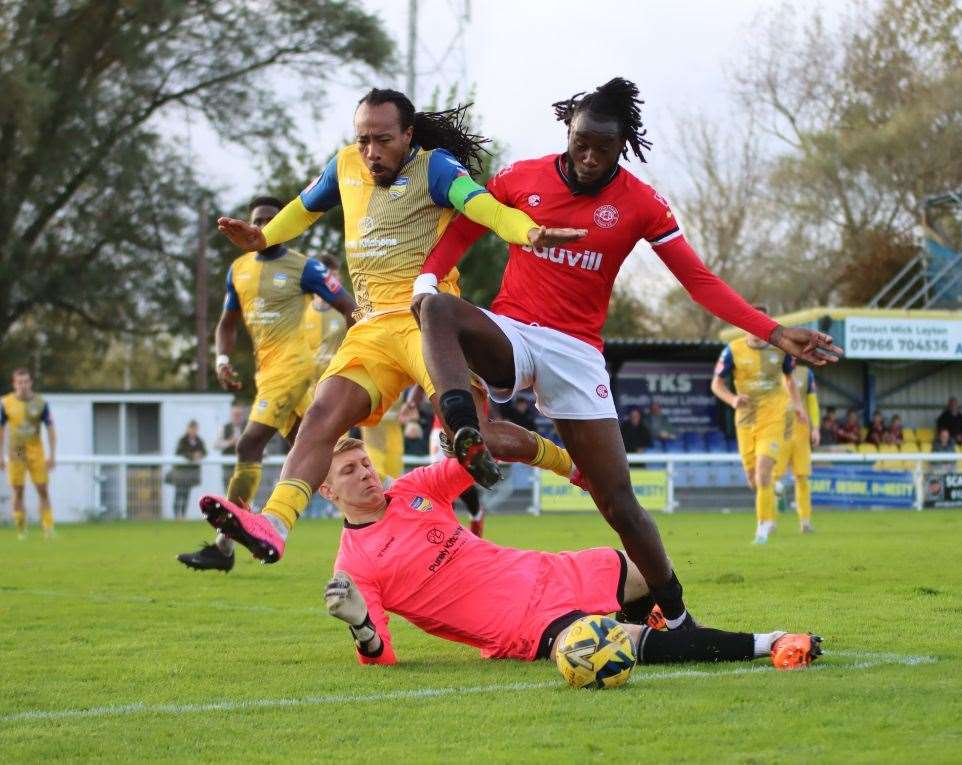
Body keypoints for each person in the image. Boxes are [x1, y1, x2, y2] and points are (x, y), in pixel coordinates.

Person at [411, 78, 841, 628]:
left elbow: (699, 282)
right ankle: (465, 429)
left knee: (617, 503)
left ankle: (677, 617)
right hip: (513, 331)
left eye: (603, 148)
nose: (589, 158)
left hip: (576, 353)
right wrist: (426, 279)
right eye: (580, 143)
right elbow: (467, 227)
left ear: (623, 145)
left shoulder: (641, 203)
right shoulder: (523, 177)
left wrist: (776, 332)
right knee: (438, 308)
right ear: (568, 132)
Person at [202, 89, 587, 565]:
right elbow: (303, 208)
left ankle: (573, 466)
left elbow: (482, 207)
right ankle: (276, 523)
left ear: (407, 135)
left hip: (428, 321)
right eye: (362, 139)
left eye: (382, 140)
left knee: (476, 433)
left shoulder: (437, 167)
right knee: (322, 418)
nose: (370, 152)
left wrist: (526, 231)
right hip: (370, 329)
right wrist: (264, 236)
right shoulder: (344, 166)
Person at [319, 436, 822, 670]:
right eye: (349, 470)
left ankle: (679, 626)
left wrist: (480, 446)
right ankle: (769, 642)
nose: (365, 472)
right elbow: (380, 656)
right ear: (327, 491)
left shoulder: (413, 490)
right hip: (523, 625)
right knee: (615, 646)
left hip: (546, 570)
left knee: (638, 565)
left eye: (365, 462)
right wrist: (360, 625)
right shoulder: (355, 567)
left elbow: (476, 453)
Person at [177, 196, 356, 572]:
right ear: (249, 224)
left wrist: (357, 356)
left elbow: (348, 307)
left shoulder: (304, 268)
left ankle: (224, 545)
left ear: (286, 225)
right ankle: (381, 524)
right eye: (258, 220)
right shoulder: (238, 269)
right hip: (267, 374)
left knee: (249, 443)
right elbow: (227, 323)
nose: (264, 225)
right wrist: (222, 360)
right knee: (323, 453)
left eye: (273, 220)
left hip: (292, 370)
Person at [712, 317, 804, 544]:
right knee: (754, 480)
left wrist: (798, 406)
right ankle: (776, 489)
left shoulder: (781, 350)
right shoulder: (732, 351)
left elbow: (790, 380)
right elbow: (716, 384)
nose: (755, 332)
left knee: (763, 472)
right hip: (745, 420)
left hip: (773, 418)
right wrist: (733, 400)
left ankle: (762, 527)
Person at [0, 368, 56, 539]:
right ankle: (21, 529)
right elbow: (1, 430)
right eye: (19, 382)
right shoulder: (6, 403)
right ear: (14, 384)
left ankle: (48, 528)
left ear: (31, 383)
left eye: (25, 381)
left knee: (42, 488)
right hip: (17, 448)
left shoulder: (41, 403)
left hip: (35, 448)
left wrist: (52, 455)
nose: (22, 385)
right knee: (18, 490)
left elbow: (51, 428)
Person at [774, 365, 821, 533]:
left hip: (801, 432)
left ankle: (805, 521)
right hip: (779, 431)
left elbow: (812, 401)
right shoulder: (772, 370)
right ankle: (769, 521)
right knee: (772, 478)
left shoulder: (806, 373)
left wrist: (815, 428)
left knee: (802, 478)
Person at [304, 254, 351, 390]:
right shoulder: (301, 311)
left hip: (336, 385)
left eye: (335, 276)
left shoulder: (348, 311)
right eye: (328, 277)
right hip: (307, 389)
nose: (332, 281)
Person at [170, 421, 207, 520]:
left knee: (186, 494)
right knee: (179, 493)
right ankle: (176, 516)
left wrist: (200, 454)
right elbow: (180, 452)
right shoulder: (182, 440)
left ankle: (183, 515)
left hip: (190, 473)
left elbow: (204, 452)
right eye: (192, 429)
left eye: (195, 429)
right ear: (188, 429)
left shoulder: (199, 440)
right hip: (180, 472)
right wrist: (192, 456)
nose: (193, 431)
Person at [215, 404, 247, 488]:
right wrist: (230, 442)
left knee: (244, 492)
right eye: (235, 414)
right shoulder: (224, 427)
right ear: (231, 415)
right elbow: (217, 444)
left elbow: (256, 442)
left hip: (245, 466)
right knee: (228, 491)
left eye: (239, 414)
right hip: (228, 466)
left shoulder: (248, 427)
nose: (237, 417)